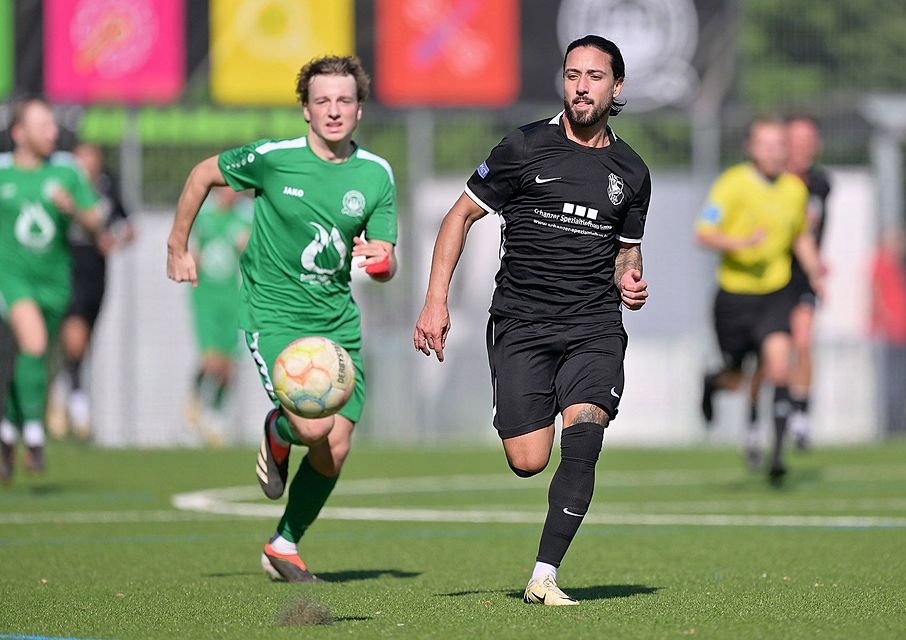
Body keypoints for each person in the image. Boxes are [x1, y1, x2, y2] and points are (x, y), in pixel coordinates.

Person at [415, 35, 651, 606]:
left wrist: (631, 279)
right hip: (521, 322)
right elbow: (458, 216)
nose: (582, 86)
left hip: (594, 324)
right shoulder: (524, 147)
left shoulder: (632, 171)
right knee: (528, 460)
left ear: (616, 87)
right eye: (573, 74)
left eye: (596, 76)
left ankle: (544, 574)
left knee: (586, 432)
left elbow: (628, 250)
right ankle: (526, 408)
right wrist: (435, 301)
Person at [166, 55, 397, 581]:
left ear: (359, 109)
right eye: (322, 101)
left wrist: (383, 263)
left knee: (334, 449)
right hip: (273, 315)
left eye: (344, 100)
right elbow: (204, 174)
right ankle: (279, 429)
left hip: (337, 322)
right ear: (305, 110)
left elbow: (385, 257)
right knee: (313, 427)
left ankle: (283, 544)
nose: (333, 110)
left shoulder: (376, 174)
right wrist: (177, 245)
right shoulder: (274, 158)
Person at [697, 117, 824, 483]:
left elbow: (800, 235)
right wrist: (740, 244)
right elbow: (704, 233)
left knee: (779, 367)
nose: (773, 151)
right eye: (765, 144)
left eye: (778, 144)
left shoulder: (795, 189)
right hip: (734, 298)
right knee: (737, 378)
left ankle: (778, 456)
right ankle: (712, 383)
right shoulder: (732, 184)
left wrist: (815, 270)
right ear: (751, 148)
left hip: (776, 294)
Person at [0, 97, 103, 483]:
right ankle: (34, 433)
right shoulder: (3, 173)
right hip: (11, 279)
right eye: (42, 125)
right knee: (35, 345)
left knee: (34, 359)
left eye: (52, 125)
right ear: (19, 133)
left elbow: (96, 224)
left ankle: (8, 431)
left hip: (55, 281)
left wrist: (73, 208)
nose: (52, 132)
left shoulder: (67, 171)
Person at [749, 116, 831, 450]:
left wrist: (816, 269)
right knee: (767, 359)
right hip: (770, 277)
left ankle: (800, 417)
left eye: (809, 140)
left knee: (803, 341)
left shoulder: (821, 183)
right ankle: (754, 419)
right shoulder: (770, 182)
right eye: (796, 140)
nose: (803, 147)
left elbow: (810, 232)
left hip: (801, 279)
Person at [47, 141, 134, 441]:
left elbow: (128, 225)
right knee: (74, 338)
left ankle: (62, 388)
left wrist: (115, 238)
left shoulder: (107, 187)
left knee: (83, 342)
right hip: (66, 268)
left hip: (96, 274)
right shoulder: (60, 188)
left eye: (92, 159)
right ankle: (78, 406)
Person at [183, 187, 252, 444]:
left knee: (228, 366)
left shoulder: (246, 215)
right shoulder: (205, 214)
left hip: (234, 300)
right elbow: (193, 252)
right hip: (207, 299)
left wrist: (249, 245)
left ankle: (216, 417)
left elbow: (256, 250)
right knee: (210, 361)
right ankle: (194, 406)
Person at [869, 229, 906, 435]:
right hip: (889, 334)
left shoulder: (896, 265)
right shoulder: (881, 263)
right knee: (891, 381)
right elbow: (876, 293)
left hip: (900, 333)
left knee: (900, 380)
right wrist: (888, 321)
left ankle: (899, 420)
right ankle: (892, 424)